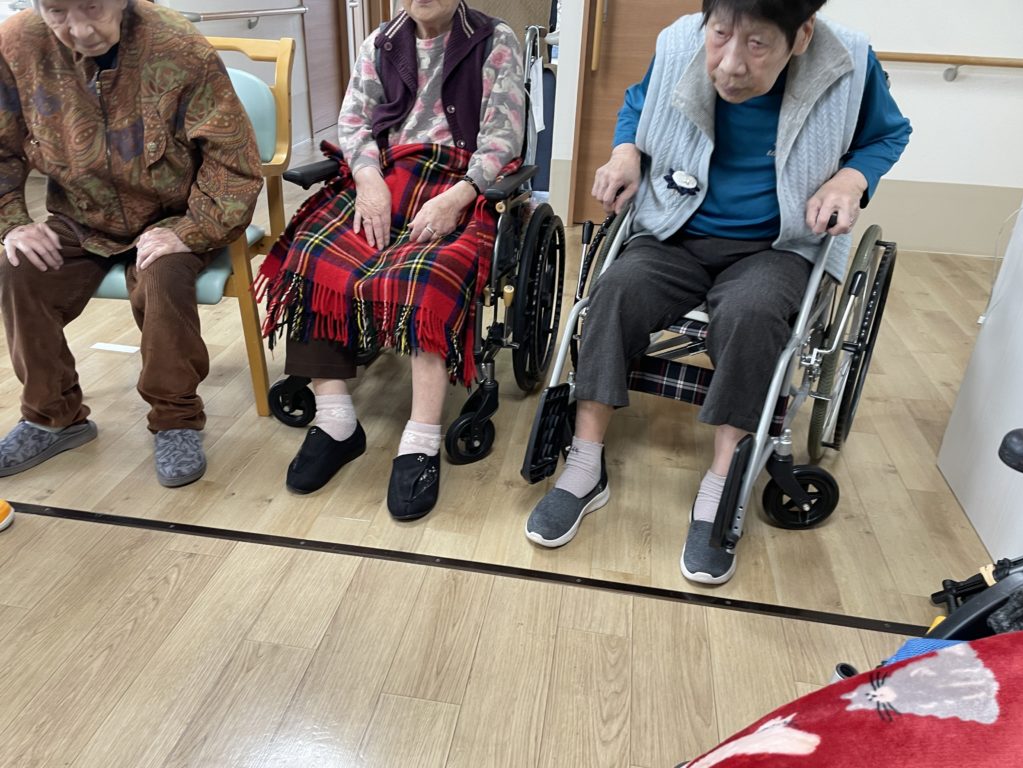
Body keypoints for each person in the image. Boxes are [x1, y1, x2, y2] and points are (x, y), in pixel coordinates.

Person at [525, 0, 911, 584]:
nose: (730, 64)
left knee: (754, 316)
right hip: (676, 231)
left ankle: (721, 486)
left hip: (777, 245)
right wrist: (626, 151)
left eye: (756, 44)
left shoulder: (849, 60)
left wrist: (850, 178)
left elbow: (888, 134)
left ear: (801, 35)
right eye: (721, 34)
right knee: (611, 292)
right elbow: (639, 104)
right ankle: (584, 465)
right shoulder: (679, 41)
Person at [257, 0, 524, 519]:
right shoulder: (380, 43)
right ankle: (336, 420)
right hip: (386, 173)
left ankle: (421, 439)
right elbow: (354, 121)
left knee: (427, 279)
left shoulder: (495, 41)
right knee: (310, 252)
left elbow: (502, 136)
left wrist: (459, 198)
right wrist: (367, 178)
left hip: (457, 182)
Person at [0, 0, 263, 487]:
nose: (80, 29)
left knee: (162, 276)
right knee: (20, 267)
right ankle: (52, 417)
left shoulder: (178, 45)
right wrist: (12, 222)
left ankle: (176, 419)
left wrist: (190, 230)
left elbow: (232, 160)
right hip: (81, 214)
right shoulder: (16, 45)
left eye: (92, 6)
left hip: (174, 213)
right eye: (57, 11)